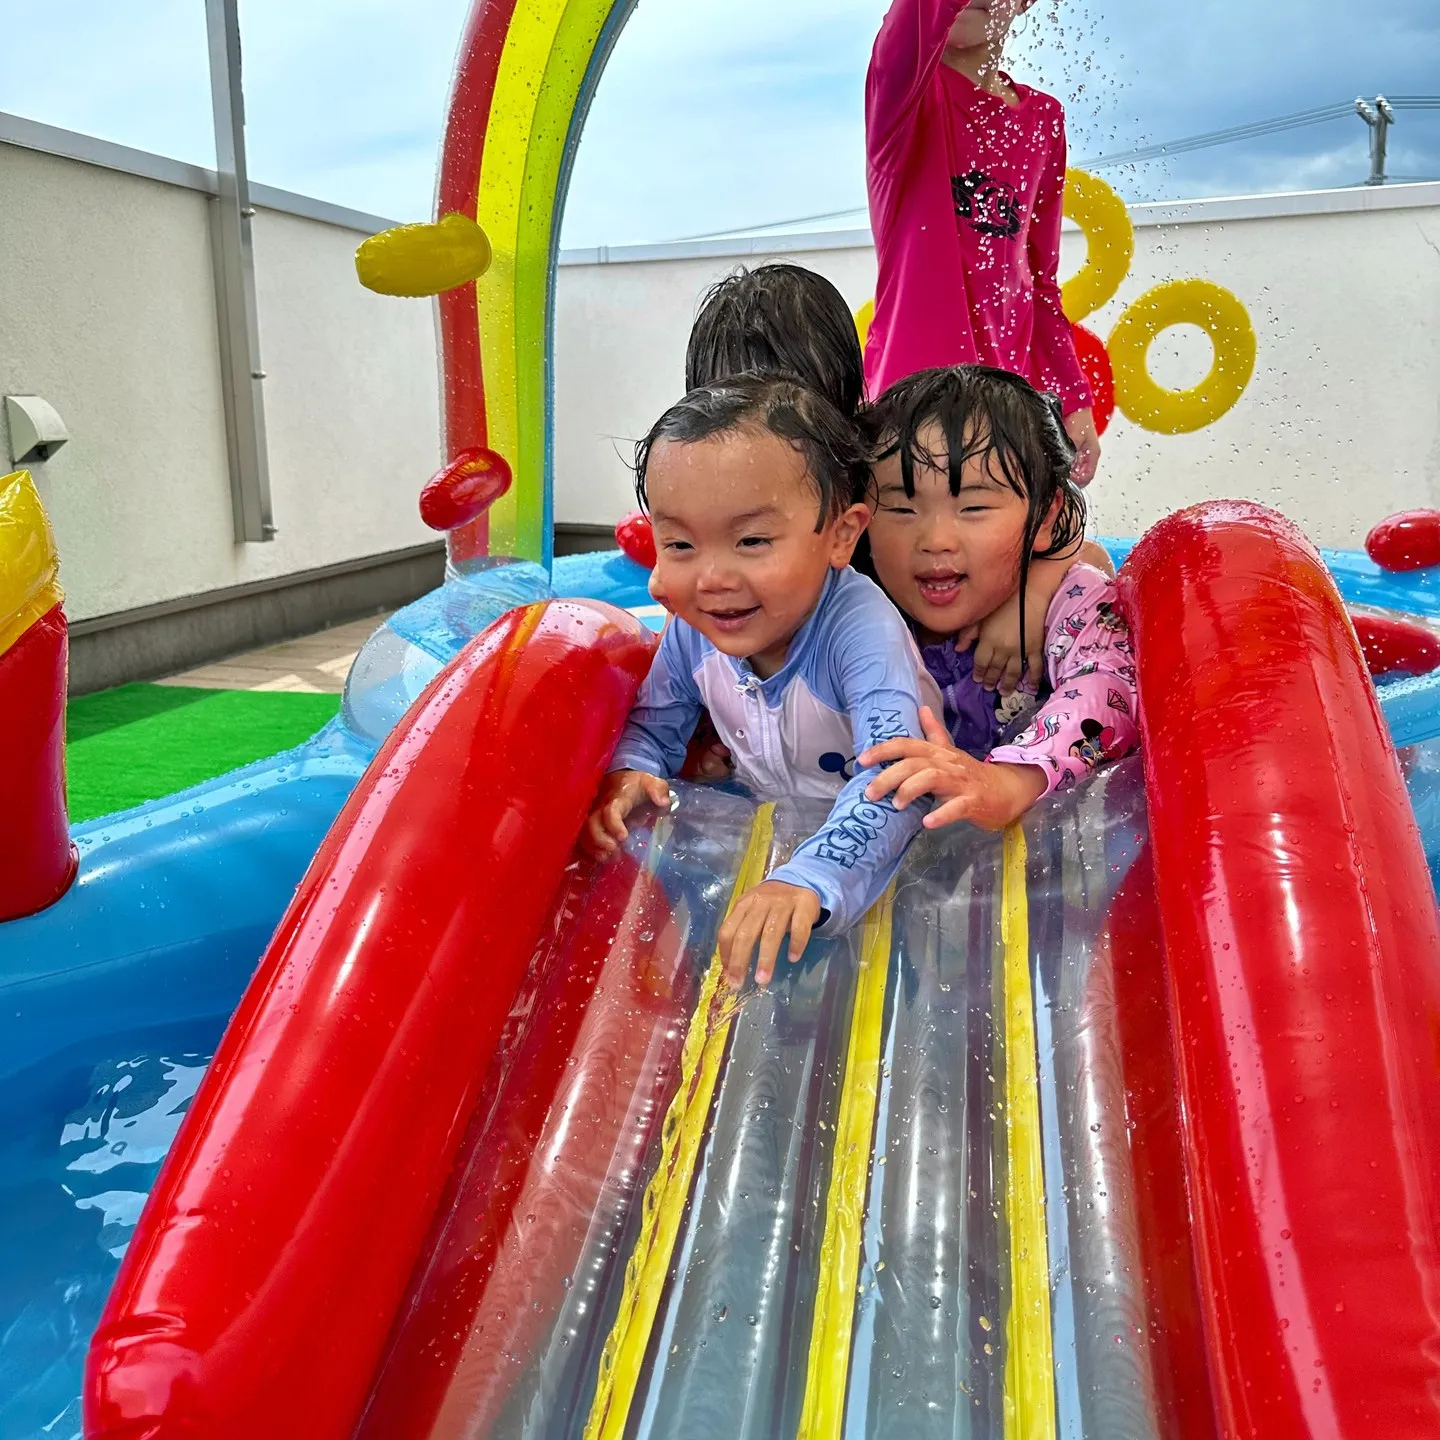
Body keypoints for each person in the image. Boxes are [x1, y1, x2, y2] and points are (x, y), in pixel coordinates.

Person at [584, 375, 943, 988]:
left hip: (903, 870)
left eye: (751, 540)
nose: (712, 577)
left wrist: (809, 875)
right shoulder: (694, 631)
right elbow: (656, 724)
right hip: (776, 839)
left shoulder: (859, 629)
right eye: (680, 544)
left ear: (841, 536)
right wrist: (632, 768)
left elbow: (897, 778)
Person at [854, 365, 1137, 828]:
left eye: (974, 508)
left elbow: (1110, 684)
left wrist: (1012, 781)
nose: (935, 539)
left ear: (1044, 519)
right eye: (903, 508)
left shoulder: (1069, 602)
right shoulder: (861, 606)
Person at [864, 0, 1102, 487]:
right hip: (908, 415)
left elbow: (1038, 282)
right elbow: (910, 20)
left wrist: (1074, 397)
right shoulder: (903, 98)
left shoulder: (1043, 120)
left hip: (1003, 417)